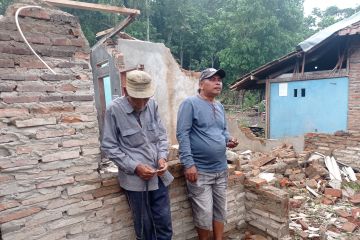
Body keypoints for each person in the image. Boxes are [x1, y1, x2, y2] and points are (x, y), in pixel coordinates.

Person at [101, 70, 173, 240]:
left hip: (159, 178)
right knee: (144, 228)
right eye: (136, 98)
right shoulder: (114, 110)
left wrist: (162, 157)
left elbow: (162, 137)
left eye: (145, 98)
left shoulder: (153, 105)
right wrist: (135, 167)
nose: (142, 103)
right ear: (126, 91)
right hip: (135, 183)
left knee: (164, 224)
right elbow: (109, 146)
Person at [176, 68, 238, 240]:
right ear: (201, 84)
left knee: (220, 209)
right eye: (213, 79)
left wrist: (229, 140)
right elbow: (182, 134)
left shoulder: (219, 106)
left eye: (219, 79)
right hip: (200, 171)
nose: (218, 82)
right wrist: (189, 164)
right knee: (203, 213)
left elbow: (223, 130)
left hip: (221, 168)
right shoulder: (190, 104)